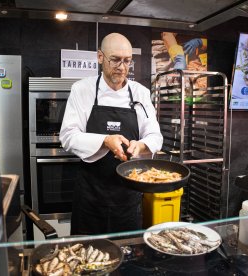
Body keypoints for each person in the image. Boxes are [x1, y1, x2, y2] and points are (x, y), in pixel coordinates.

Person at [59, 33, 163, 235]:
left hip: (128, 196)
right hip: (90, 195)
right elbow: (68, 136)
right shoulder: (82, 89)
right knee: (87, 259)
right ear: (100, 57)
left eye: (127, 61)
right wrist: (105, 140)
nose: (122, 67)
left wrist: (140, 146)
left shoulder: (140, 92)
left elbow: (155, 136)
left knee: (128, 258)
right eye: (115, 59)